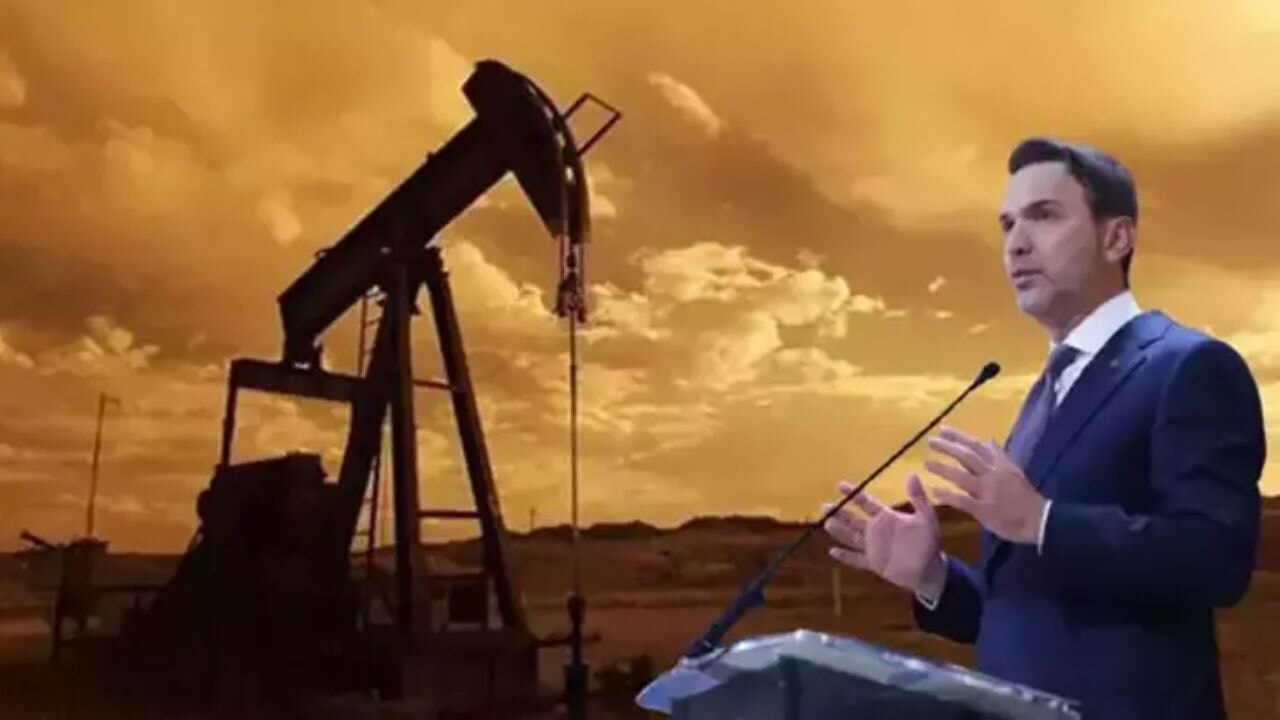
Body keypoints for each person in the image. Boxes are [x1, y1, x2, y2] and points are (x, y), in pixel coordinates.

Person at [822, 137, 1265, 719]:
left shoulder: (1189, 366)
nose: (1016, 244)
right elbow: (1029, 612)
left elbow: (1216, 560)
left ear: (1116, 238)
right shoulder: (1046, 394)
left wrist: (1043, 521)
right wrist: (932, 577)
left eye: (1044, 216)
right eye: (1007, 225)